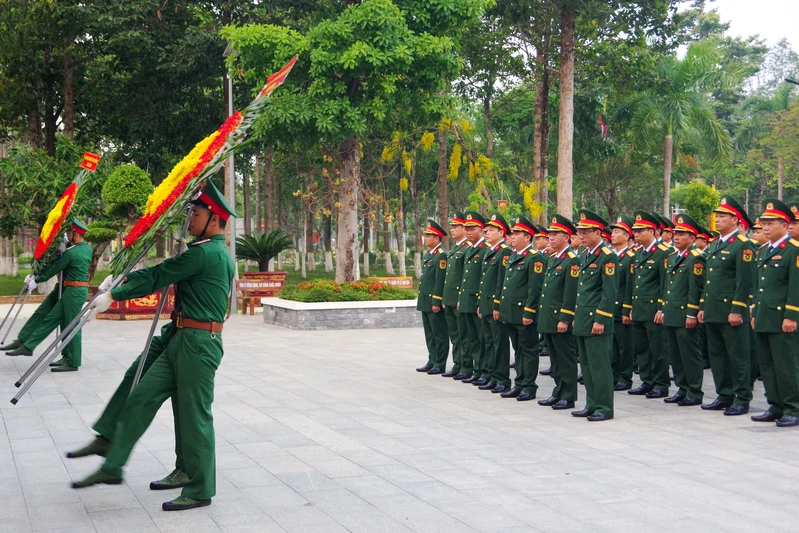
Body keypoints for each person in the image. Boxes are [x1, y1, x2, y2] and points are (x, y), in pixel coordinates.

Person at [71, 182, 237, 512]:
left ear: (215, 219)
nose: (190, 219)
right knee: (141, 395)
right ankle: (113, 465)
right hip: (181, 336)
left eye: (197, 213)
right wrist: (119, 278)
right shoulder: (202, 251)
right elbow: (165, 272)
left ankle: (200, 486)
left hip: (199, 343)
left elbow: (160, 274)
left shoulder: (206, 254)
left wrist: (114, 294)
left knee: (194, 416)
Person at [3, 219, 92, 372]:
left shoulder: (72, 253)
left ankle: (71, 361)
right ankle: (27, 342)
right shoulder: (85, 249)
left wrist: (37, 280)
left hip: (74, 291)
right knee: (47, 316)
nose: (67, 235)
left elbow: (56, 266)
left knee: (68, 325)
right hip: (67, 287)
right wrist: (66, 245)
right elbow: (72, 254)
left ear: (75, 234)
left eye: (69, 233)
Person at [698, 196, 756, 416]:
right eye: (717, 216)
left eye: (723, 216)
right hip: (713, 310)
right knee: (717, 356)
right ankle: (724, 395)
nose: (718, 220)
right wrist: (702, 306)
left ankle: (742, 398)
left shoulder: (743, 245)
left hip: (731, 311)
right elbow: (709, 280)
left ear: (735, 220)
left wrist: (737, 309)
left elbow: (745, 281)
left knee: (738, 356)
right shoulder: (716, 245)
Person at [751, 198, 799, 427]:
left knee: (786, 366)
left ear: (785, 224)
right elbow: (759, 286)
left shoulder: (793, 251)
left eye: (771, 223)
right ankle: (776, 404)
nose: (765, 227)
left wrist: (791, 315)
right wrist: (753, 312)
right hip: (763, 316)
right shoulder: (762, 251)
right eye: (763, 223)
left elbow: (795, 286)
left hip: (782, 318)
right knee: (768, 365)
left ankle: (793, 407)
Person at [571, 210, 618, 421]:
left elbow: (609, 293)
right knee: (587, 365)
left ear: (598, 232)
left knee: (600, 366)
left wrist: (601, 319)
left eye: (585, 232)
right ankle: (591, 403)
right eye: (579, 232)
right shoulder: (584, 255)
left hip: (596, 320)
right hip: (583, 318)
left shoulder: (607, 257)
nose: (581, 236)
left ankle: (604, 407)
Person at [497, 215, 546, 400]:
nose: (513, 237)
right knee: (518, 350)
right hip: (511, 313)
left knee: (529, 350)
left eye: (517, 233)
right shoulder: (513, 256)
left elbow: (535, 289)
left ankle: (529, 386)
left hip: (524, 314)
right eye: (512, 233)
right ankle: (519, 382)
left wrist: (529, 311)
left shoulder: (535, 258)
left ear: (528, 237)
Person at [537, 214, 580, 411]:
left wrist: (565, 319)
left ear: (567, 237)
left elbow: (570, 294)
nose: (551, 238)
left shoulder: (572, 260)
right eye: (550, 234)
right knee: (555, 359)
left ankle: (569, 395)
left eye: (556, 234)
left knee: (566, 358)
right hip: (549, 317)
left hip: (560, 319)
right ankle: (558, 391)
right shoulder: (553, 258)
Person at [661, 214, 706, 406]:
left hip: (685, 314)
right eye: (674, 233)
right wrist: (663, 309)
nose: (676, 237)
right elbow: (668, 287)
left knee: (689, 354)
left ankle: (694, 391)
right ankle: (682, 387)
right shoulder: (672, 257)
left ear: (693, 238)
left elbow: (696, 289)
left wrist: (691, 314)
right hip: (672, 312)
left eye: (681, 234)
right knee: (676, 354)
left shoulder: (696, 258)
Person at [628, 211, 671, 398]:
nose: (636, 234)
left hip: (654, 310)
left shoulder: (664, 253)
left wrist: (661, 308)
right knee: (642, 349)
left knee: (658, 349)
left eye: (640, 230)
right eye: (635, 231)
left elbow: (665, 283)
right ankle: (647, 381)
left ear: (653, 231)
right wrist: (629, 308)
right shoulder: (637, 253)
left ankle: (661, 384)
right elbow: (634, 283)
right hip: (639, 308)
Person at [478, 213, 513, 392]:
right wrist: (480, 304)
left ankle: (502, 379)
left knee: (500, 344)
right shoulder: (490, 250)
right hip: (485, 305)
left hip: (494, 306)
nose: (486, 233)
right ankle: (492, 375)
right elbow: (484, 280)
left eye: (491, 230)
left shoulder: (505, 251)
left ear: (501, 232)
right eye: (485, 230)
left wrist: (497, 305)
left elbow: (501, 281)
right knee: (489, 342)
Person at [458, 211, 488, 384]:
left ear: (481, 230)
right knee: (471, 337)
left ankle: (482, 370)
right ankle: (475, 369)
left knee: (481, 338)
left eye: (472, 229)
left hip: (477, 300)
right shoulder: (470, 249)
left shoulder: (484, 249)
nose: (468, 232)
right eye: (466, 229)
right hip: (466, 300)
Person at [416, 219, 449, 374]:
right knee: (429, 334)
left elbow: (440, 281)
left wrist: (436, 301)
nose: (426, 238)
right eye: (425, 235)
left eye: (429, 235)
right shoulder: (430, 255)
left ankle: (439, 363)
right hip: (425, 301)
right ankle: (432, 359)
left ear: (437, 238)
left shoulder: (441, 256)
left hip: (433, 301)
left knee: (439, 334)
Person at [609, 215, 635, 391]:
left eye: (617, 232)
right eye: (613, 232)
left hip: (621, 308)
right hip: (610, 309)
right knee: (612, 346)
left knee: (625, 346)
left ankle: (625, 377)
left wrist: (627, 309)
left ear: (627, 236)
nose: (613, 235)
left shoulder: (630, 257)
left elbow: (630, 286)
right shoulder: (610, 256)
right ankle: (613, 375)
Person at [442, 212, 469, 378]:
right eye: (451, 226)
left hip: (459, 299)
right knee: (454, 335)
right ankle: (458, 363)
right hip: (449, 299)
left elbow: (464, 277)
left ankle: (466, 366)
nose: (452, 229)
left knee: (463, 335)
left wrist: (460, 298)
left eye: (456, 227)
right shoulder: (455, 248)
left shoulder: (466, 248)